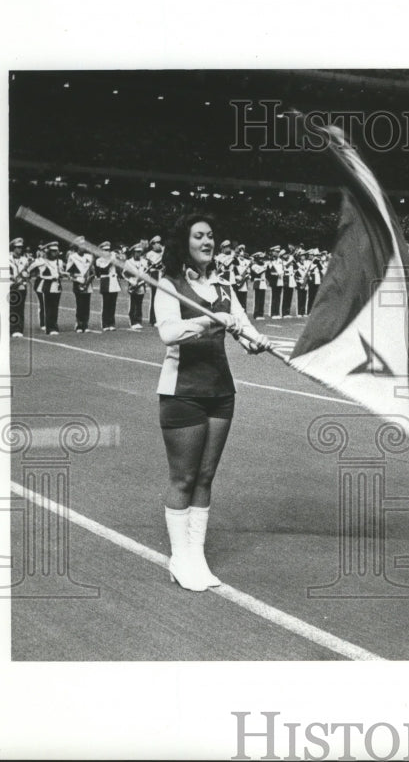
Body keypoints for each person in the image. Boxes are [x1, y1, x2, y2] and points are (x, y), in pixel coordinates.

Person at [154, 215, 273, 592]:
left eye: (211, 235)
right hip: (182, 391)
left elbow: (241, 323)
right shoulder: (169, 284)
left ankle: (197, 556)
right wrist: (206, 323)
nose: (208, 240)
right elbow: (168, 333)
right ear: (184, 242)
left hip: (221, 391)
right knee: (184, 477)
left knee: (206, 477)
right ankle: (179, 557)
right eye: (199, 235)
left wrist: (255, 340)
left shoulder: (223, 284)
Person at [66, 238, 95, 333]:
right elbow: (69, 272)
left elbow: (92, 271)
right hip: (78, 283)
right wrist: (78, 280)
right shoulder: (72, 257)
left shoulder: (89, 257)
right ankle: (79, 324)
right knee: (80, 304)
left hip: (88, 283)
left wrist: (90, 279)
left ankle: (85, 324)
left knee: (86, 305)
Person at [96, 240, 121, 331]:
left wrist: (118, 259)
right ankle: (105, 324)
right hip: (106, 281)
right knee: (106, 303)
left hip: (114, 281)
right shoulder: (99, 260)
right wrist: (111, 261)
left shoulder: (112, 258)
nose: (107, 252)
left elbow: (119, 270)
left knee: (113, 304)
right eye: (105, 250)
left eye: (108, 250)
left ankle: (112, 323)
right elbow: (104, 270)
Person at [123, 242, 149, 330]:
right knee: (133, 304)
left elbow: (147, 272)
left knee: (139, 304)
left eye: (139, 252)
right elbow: (124, 274)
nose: (138, 254)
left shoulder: (144, 262)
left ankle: (138, 320)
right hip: (133, 285)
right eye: (136, 252)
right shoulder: (128, 262)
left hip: (141, 285)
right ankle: (133, 321)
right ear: (133, 253)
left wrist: (144, 279)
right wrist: (131, 281)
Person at [8, 238, 29, 337]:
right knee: (13, 308)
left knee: (20, 308)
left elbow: (29, 272)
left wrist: (26, 275)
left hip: (21, 286)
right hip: (11, 286)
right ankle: (13, 329)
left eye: (21, 247)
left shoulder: (25, 260)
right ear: (13, 248)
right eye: (18, 247)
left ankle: (19, 329)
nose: (20, 249)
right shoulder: (7, 259)